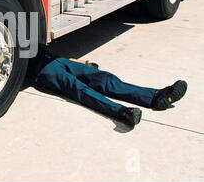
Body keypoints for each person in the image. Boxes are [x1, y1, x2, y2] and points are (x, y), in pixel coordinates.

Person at [26, 45, 188, 127]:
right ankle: (122, 112)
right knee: (81, 90)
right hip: (44, 71)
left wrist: (82, 63)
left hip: (56, 59)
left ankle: (154, 96)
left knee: (105, 79)